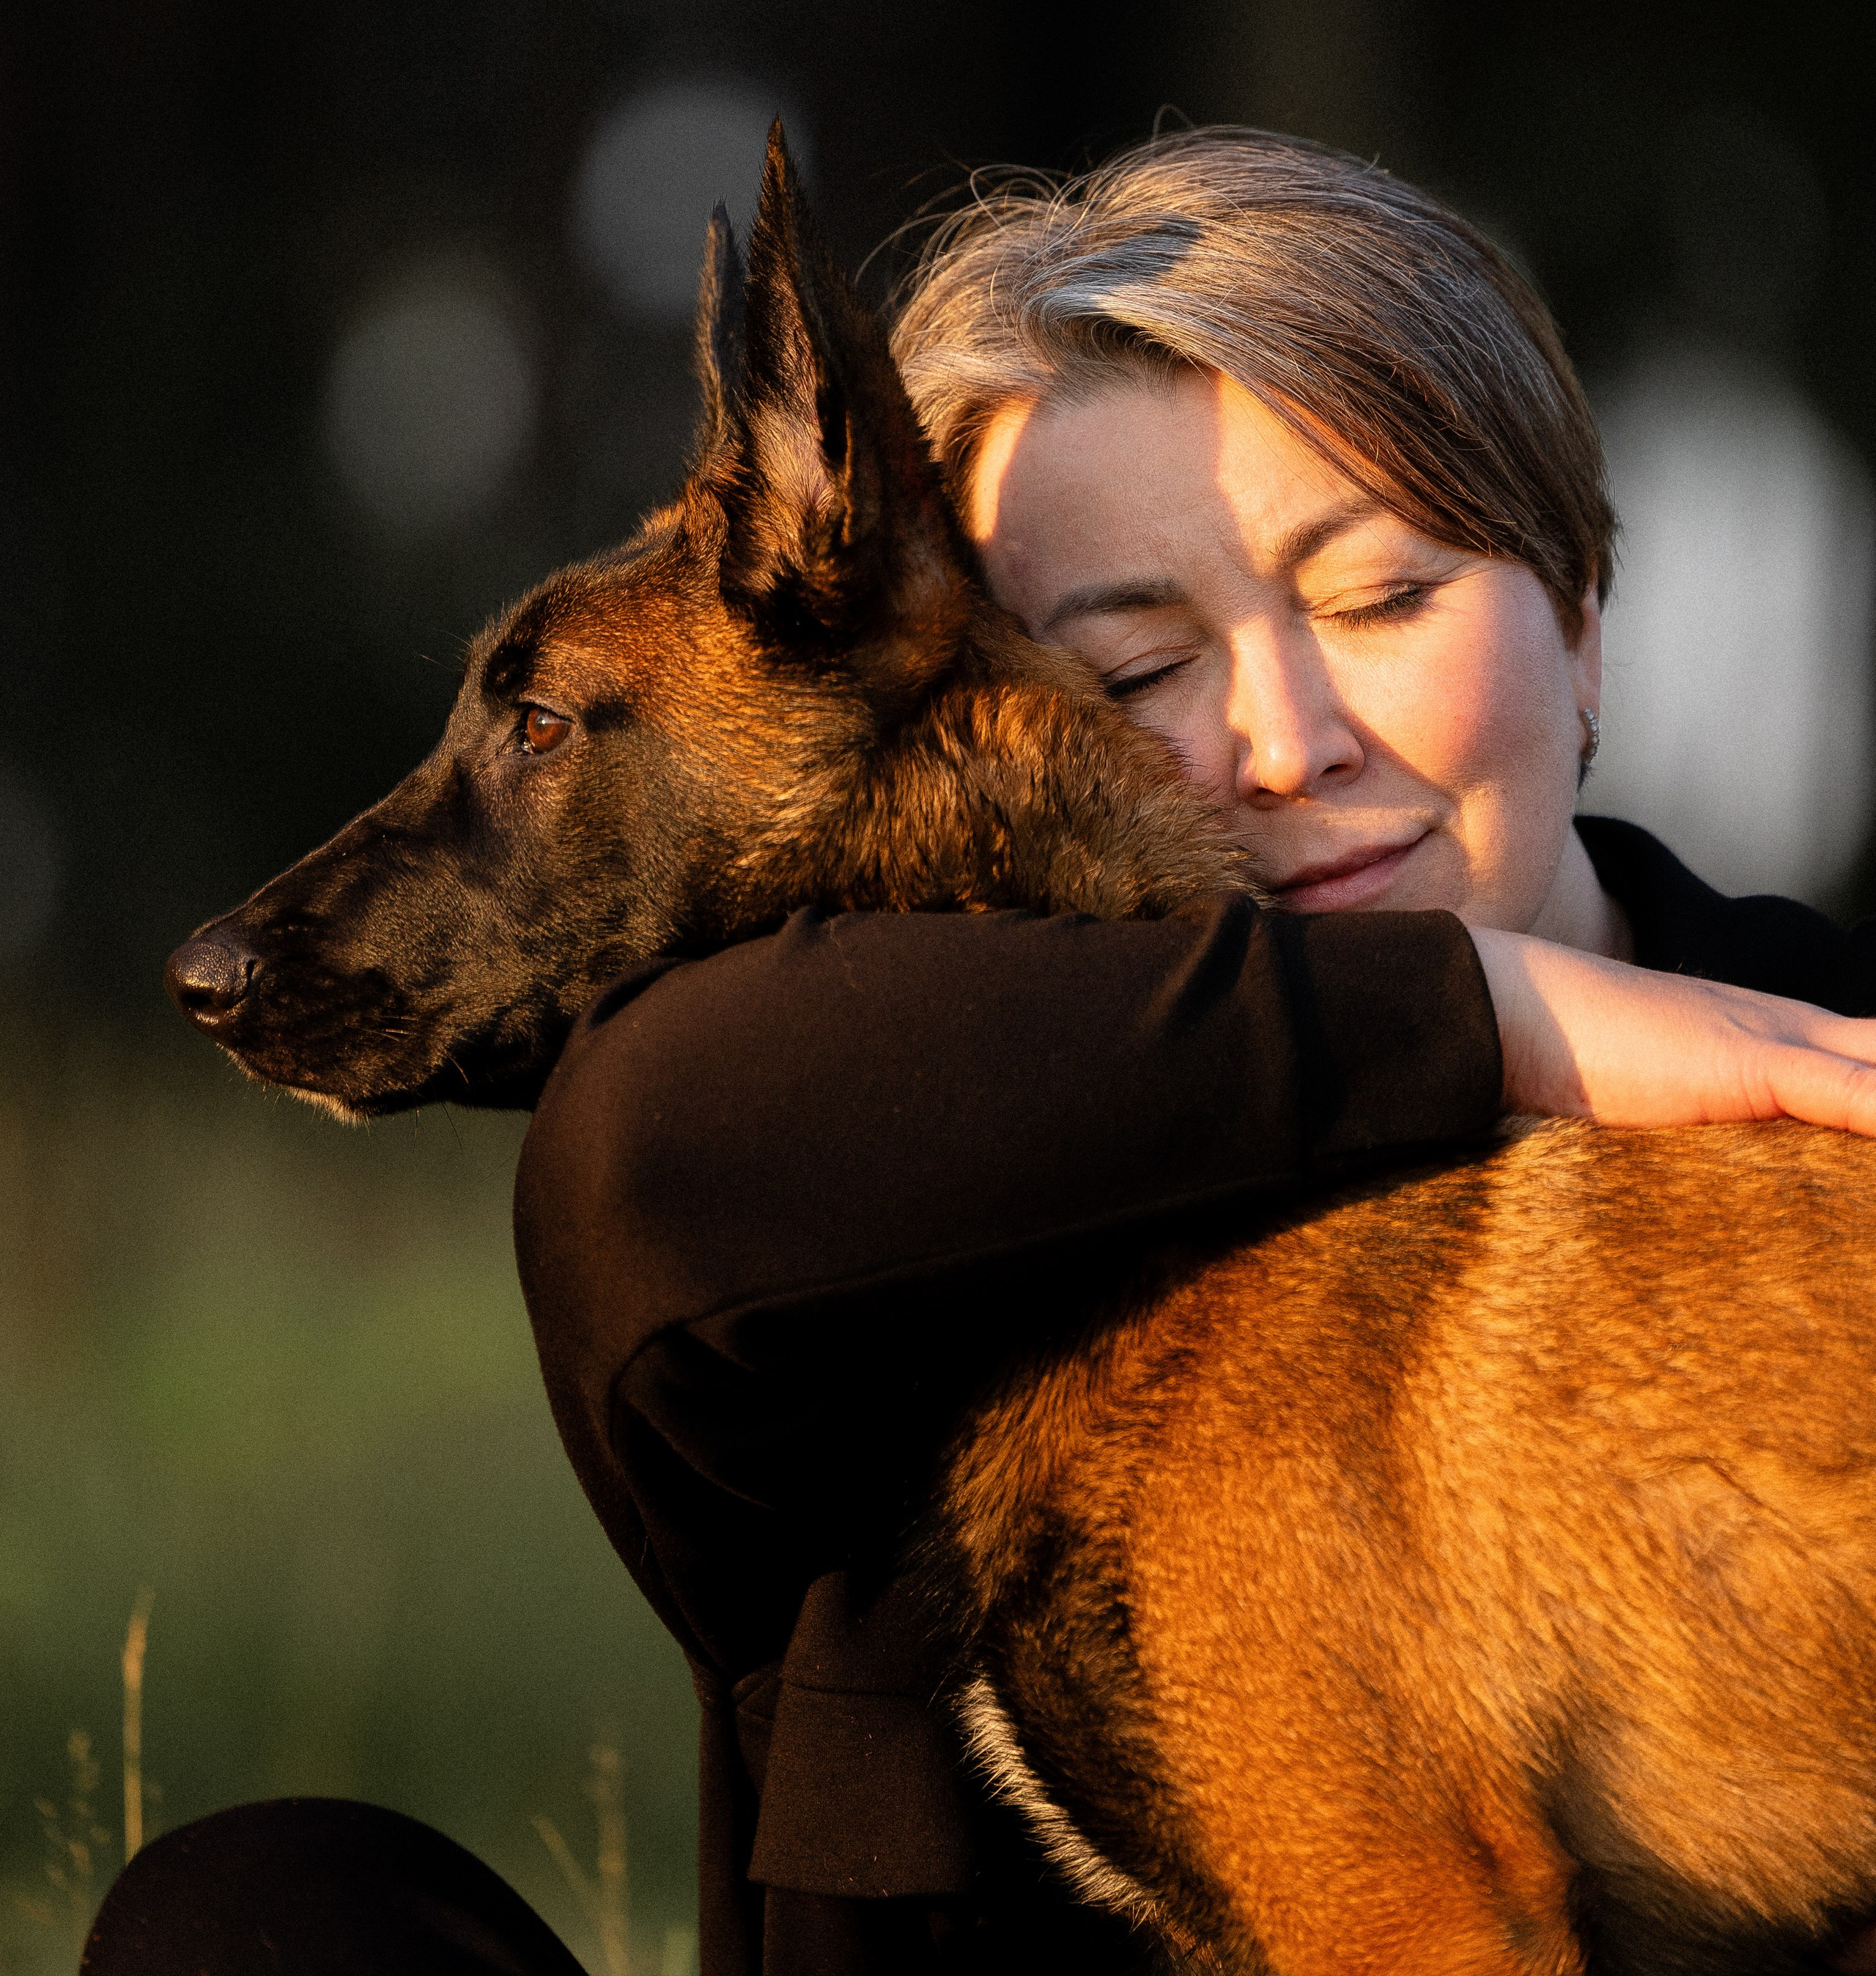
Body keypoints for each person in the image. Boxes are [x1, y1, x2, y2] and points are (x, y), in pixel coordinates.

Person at [85, 130, 1876, 1976]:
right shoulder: (833, 1201)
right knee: (247, 1918)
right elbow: (642, 1147)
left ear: (1581, 613)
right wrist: (1488, 1011)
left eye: (1377, 596)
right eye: (1130, 669)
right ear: (994, 711)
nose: (1282, 738)